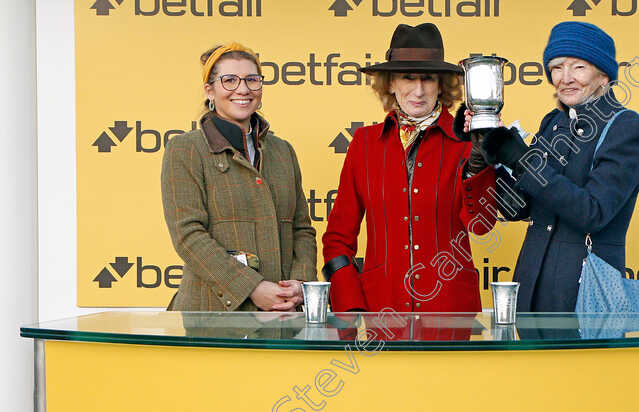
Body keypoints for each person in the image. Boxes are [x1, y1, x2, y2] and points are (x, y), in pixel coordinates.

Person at [321, 23, 496, 313]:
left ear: (441, 84)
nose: (418, 89)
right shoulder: (364, 144)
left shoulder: (467, 141)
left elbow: (482, 226)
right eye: (407, 77)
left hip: (451, 306)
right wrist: (350, 306)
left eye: (428, 78)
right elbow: (337, 239)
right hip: (381, 308)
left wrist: (479, 160)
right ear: (390, 82)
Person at [480, 21, 639, 312]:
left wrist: (524, 161)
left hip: (586, 294)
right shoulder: (554, 122)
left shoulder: (625, 126)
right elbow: (519, 209)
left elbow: (592, 213)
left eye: (579, 67)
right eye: (557, 67)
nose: (565, 78)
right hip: (530, 289)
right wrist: (489, 154)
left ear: (603, 75)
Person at [161, 42, 316, 312]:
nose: (242, 89)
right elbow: (188, 235)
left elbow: (302, 228)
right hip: (210, 315)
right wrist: (251, 287)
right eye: (229, 80)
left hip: (282, 314)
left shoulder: (283, 152)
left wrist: (300, 282)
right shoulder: (185, 149)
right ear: (210, 90)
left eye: (251, 80)